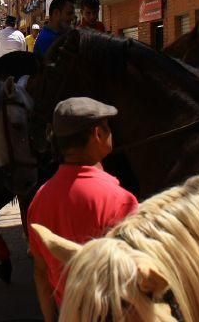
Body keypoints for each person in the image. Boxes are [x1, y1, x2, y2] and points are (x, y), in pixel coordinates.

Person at [26, 98, 138, 321]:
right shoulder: (120, 201)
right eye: (108, 127)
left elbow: (40, 272)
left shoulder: (39, 201)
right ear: (97, 134)